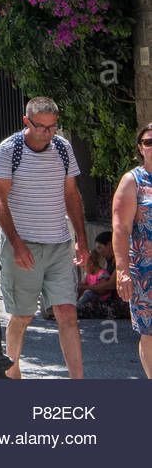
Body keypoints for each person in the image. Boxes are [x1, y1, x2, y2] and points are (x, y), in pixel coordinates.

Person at [0, 96, 88, 379]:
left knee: (67, 313)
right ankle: (13, 373)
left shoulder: (63, 147)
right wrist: (16, 244)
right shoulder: (10, 149)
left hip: (59, 244)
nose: (47, 133)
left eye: (52, 127)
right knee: (22, 316)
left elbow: (71, 194)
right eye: (41, 127)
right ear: (26, 121)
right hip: (23, 244)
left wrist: (81, 239)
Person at [113, 121, 152, 377]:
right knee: (150, 332)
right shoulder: (133, 181)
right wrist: (122, 271)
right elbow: (120, 228)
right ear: (140, 147)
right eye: (148, 142)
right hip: (146, 272)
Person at [76, 231, 118, 318]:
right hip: (108, 301)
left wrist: (86, 287)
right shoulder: (109, 261)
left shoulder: (119, 261)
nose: (99, 252)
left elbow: (110, 285)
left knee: (83, 310)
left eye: (100, 248)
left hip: (118, 304)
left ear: (110, 245)